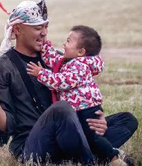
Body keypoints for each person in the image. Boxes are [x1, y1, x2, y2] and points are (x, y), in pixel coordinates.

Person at [0, 0, 138, 165]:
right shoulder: (2, 67)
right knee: (61, 109)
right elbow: (6, 129)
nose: (44, 33)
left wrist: (97, 118)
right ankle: (95, 158)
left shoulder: (57, 58)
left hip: (70, 131)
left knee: (126, 120)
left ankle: (85, 154)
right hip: (33, 144)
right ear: (17, 29)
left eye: (46, 27)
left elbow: (80, 95)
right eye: (38, 28)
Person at [26, 25, 127, 165]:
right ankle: (100, 155)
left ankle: (114, 158)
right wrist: (45, 44)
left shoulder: (80, 67)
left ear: (80, 51)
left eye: (68, 41)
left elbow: (62, 81)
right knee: (86, 136)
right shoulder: (69, 62)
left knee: (93, 138)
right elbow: (53, 59)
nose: (64, 44)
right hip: (80, 109)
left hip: (87, 110)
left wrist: (41, 73)